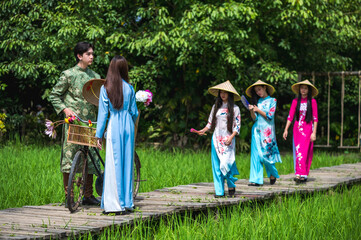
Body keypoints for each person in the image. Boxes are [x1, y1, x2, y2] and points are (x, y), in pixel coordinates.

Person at [49, 41, 101, 206]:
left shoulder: (96, 77)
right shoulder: (68, 74)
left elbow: (100, 100)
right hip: (74, 122)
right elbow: (54, 95)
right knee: (69, 159)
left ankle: (88, 194)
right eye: (88, 54)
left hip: (91, 122)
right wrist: (65, 110)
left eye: (92, 54)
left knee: (92, 158)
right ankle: (69, 196)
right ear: (80, 56)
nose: (92, 56)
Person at [95, 56, 138, 215]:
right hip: (128, 126)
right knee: (127, 163)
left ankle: (114, 204)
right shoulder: (130, 88)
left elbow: (102, 114)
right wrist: (130, 124)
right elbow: (134, 112)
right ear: (124, 69)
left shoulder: (106, 88)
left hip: (114, 125)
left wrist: (99, 135)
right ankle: (127, 203)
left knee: (114, 164)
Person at [196, 80, 241, 198]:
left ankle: (231, 185)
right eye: (221, 92)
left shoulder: (235, 108)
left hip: (228, 140)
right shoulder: (215, 107)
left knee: (227, 163)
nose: (223, 94)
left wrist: (231, 137)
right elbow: (210, 123)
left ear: (230, 94)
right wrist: (203, 130)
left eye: (226, 92)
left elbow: (237, 126)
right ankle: (219, 191)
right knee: (216, 165)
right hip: (216, 139)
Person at [246, 80, 282, 186]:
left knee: (267, 155)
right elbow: (254, 118)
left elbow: (270, 116)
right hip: (257, 131)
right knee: (256, 155)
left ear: (265, 88)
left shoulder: (272, 100)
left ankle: (273, 173)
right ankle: (255, 179)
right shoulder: (258, 102)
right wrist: (252, 111)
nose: (258, 92)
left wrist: (257, 109)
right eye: (256, 91)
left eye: (259, 89)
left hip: (268, 133)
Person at [283, 80, 318, 184]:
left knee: (305, 151)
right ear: (299, 89)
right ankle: (299, 174)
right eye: (301, 88)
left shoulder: (312, 102)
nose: (303, 90)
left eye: (305, 88)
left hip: (308, 129)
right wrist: (286, 129)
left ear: (309, 90)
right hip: (297, 129)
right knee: (298, 151)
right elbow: (290, 116)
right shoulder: (295, 101)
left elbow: (315, 118)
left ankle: (303, 174)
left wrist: (314, 132)